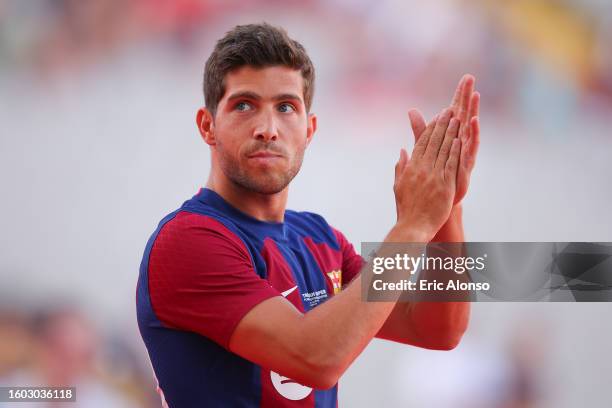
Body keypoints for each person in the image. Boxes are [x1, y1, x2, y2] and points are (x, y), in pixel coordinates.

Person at [136, 22, 480, 407]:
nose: (267, 128)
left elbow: (436, 329)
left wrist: (446, 210)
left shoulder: (319, 238)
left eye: (286, 107)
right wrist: (414, 226)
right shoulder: (188, 241)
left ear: (309, 129)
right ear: (207, 126)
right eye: (244, 105)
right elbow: (315, 359)